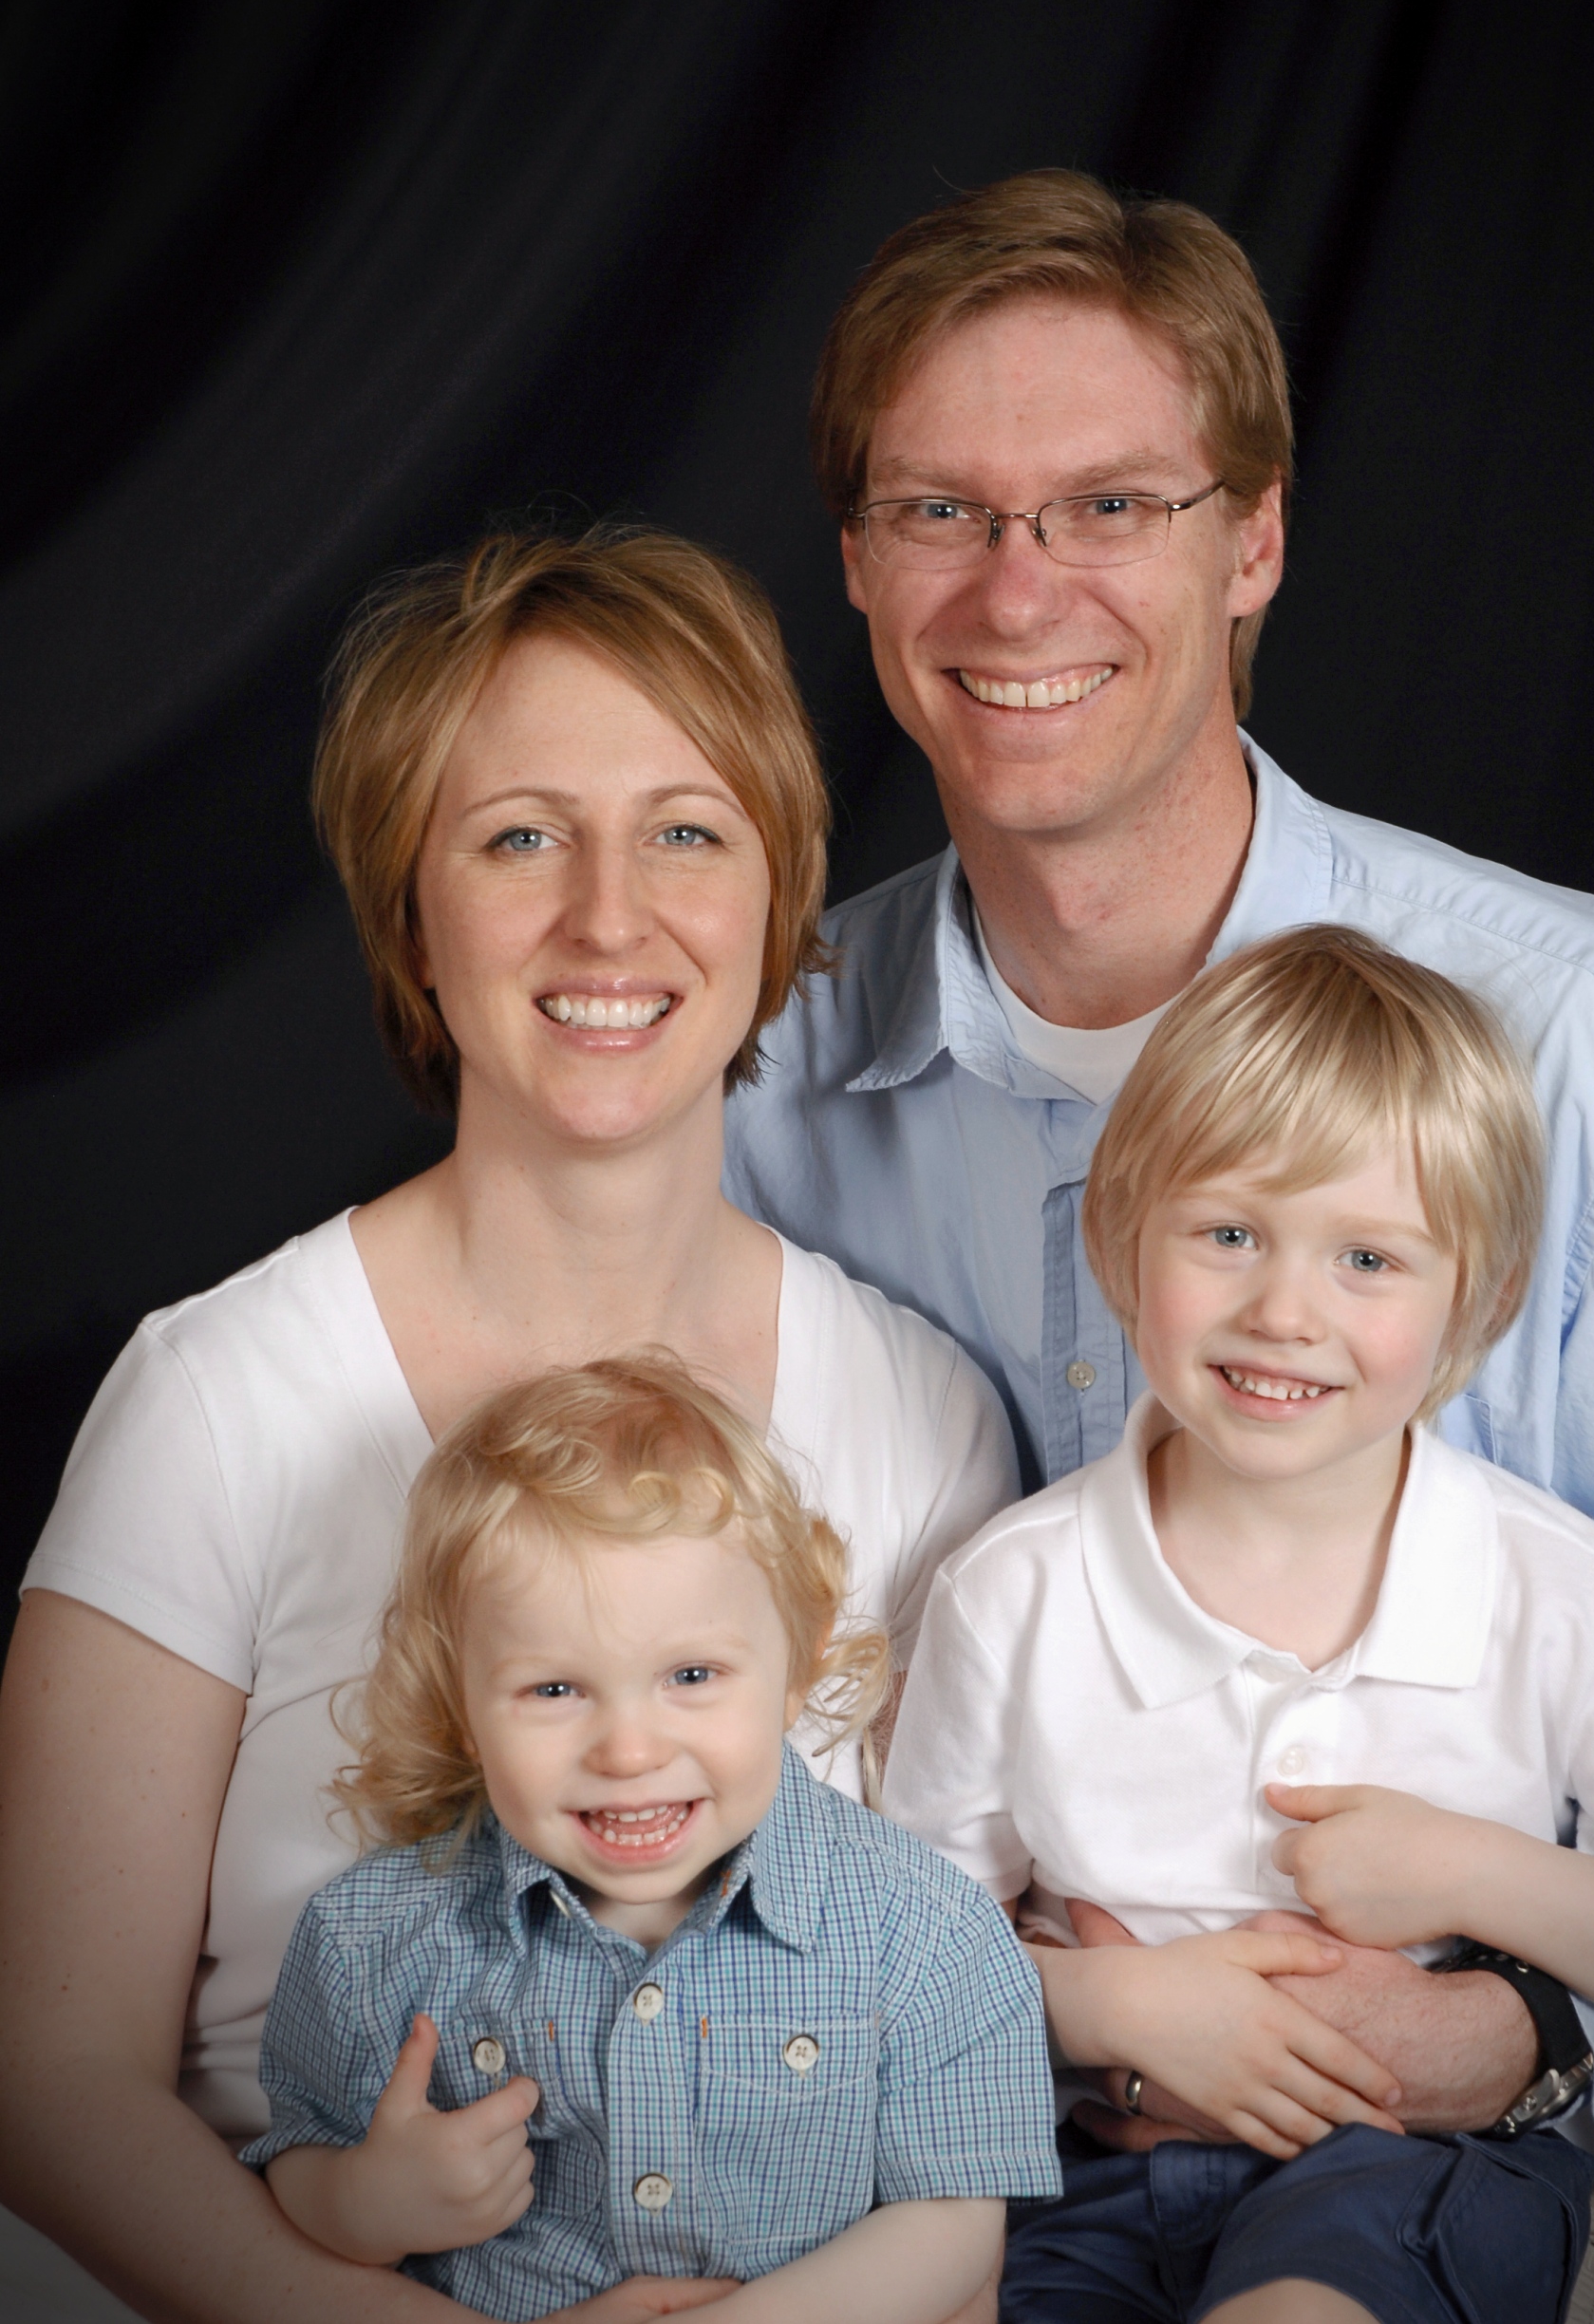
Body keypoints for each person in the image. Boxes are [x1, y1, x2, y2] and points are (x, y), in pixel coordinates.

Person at [722, 169, 1594, 2313]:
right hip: (960, 2115)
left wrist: (1500, 2035)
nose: (1017, 589)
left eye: (1110, 505)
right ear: (861, 562)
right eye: (941, 511)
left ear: (1251, 541)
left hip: (1518, 2128)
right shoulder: (756, 1078)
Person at [0, 528, 1020, 2324]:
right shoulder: (212, 1401)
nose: (609, 918)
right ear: (412, 913)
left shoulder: (920, 1413)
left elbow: (946, 2044)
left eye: (686, 833)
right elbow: (53, 2087)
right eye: (521, 837)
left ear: (780, 904)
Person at [882, 928, 1594, 2324]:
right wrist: (1104, 2012)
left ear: (1481, 1300)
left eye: (1368, 1258)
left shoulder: (1558, 1595)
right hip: (1083, 2177)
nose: (1284, 1311)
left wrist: (1469, 1871)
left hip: (1422, 2169)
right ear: (1117, 1239)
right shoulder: (1012, 1591)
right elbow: (909, 1964)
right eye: (1227, 1234)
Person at [249, 1354, 1060, 2323]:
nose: (629, 1751)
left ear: (795, 1671)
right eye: (554, 1689)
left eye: (691, 1676)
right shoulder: (370, 1940)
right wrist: (364, 2202)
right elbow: (296, 2152)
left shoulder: (922, 1929)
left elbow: (955, 2223)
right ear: (461, 1708)